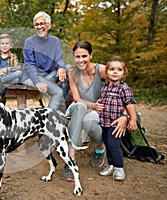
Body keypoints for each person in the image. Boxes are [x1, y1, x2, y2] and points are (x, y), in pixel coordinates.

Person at [64, 40, 128, 181]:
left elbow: (123, 92)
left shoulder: (102, 70)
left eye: (84, 56)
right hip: (79, 107)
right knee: (80, 107)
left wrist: (124, 115)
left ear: (91, 55)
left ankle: (100, 148)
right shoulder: (72, 72)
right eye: (77, 57)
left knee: (90, 122)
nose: (81, 60)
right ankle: (70, 158)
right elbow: (76, 98)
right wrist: (92, 105)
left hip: (98, 112)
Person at [98, 56, 137, 181]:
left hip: (116, 123)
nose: (115, 72)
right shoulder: (104, 87)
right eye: (112, 69)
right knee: (107, 144)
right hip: (104, 121)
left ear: (124, 73)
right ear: (107, 71)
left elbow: (130, 104)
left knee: (114, 145)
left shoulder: (123, 88)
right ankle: (111, 165)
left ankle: (119, 168)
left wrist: (132, 119)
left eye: (119, 70)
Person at [20, 11, 67, 111]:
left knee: (68, 68)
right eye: (36, 24)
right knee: (58, 92)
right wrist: (37, 82)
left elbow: (59, 58)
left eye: (42, 23)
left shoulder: (55, 41)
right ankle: (49, 119)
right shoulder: (29, 42)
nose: (39, 27)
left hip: (47, 75)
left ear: (49, 25)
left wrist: (61, 67)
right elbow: (29, 65)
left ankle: (66, 108)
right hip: (31, 77)